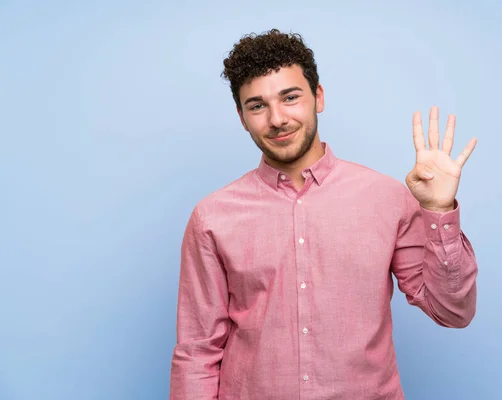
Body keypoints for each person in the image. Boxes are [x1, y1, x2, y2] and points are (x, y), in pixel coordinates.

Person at [169, 28, 478, 400]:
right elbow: (197, 351)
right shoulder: (213, 217)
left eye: (290, 97)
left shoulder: (386, 198)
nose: (277, 118)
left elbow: (452, 311)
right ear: (241, 116)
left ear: (318, 97)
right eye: (257, 106)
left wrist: (438, 209)